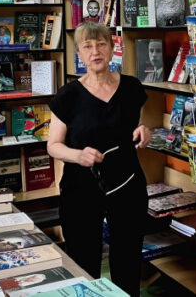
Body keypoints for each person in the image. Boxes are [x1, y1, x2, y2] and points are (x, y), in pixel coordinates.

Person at [46, 22, 150, 296]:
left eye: (101, 44)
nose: (95, 52)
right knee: (84, 261)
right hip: (81, 189)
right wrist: (78, 155)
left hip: (127, 184)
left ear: (112, 48)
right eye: (88, 46)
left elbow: (138, 125)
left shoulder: (131, 88)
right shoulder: (68, 95)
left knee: (128, 259)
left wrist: (144, 130)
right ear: (79, 53)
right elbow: (53, 146)